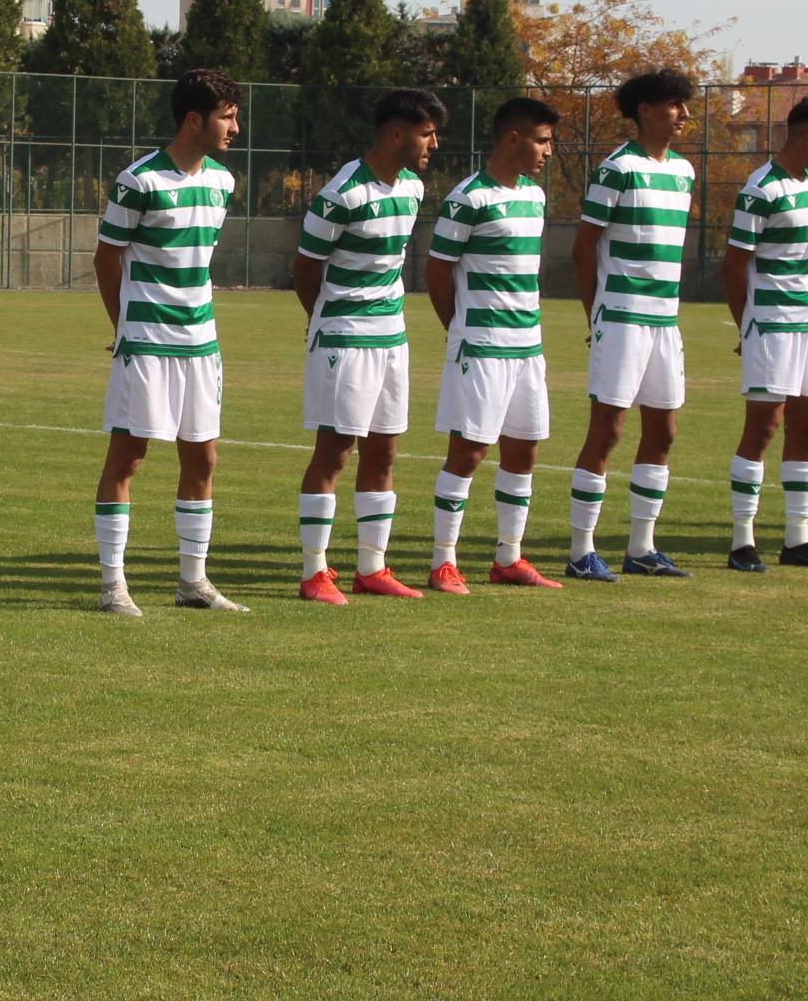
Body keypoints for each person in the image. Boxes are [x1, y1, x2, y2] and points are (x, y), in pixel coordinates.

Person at [94, 68, 248, 615]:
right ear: (193, 119)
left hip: (201, 343)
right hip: (148, 341)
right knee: (129, 457)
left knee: (202, 459)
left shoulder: (222, 182)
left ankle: (193, 583)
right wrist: (126, 327)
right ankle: (114, 586)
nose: (235, 126)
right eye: (227, 116)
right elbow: (106, 258)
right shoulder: (139, 181)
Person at [292, 88, 447, 603]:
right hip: (345, 339)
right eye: (427, 133)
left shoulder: (413, 188)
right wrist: (327, 325)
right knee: (335, 452)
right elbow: (305, 267)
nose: (434, 143)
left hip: (392, 339)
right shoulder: (342, 193)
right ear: (396, 134)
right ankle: (315, 572)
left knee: (385, 450)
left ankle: (371, 568)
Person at [563, 69, 699, 581]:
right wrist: (596, 316)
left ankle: (642, 546)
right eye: (674, 105)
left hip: (667, 321)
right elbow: (583, 248)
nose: (684, 115)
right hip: (621, 318)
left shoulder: (683, 171)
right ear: (646, 109)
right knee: (609, 430)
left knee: (663, 432)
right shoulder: (617, 169)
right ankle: (581, 552)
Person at [425, 97, 562, 594]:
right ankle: (444, 561)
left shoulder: (535, 196)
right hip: (482, 346)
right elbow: (437, 272)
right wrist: (460, 328)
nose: (549, 151)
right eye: (543, 141)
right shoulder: (469, 198)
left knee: (524, 451)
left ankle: (509, 557)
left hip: (528, 346)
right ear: (513, 139)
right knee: (469, 452)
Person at [721, 95, 808, 572]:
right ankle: (742, 543)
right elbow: (734, 266)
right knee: (763, 428)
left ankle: (798, 540)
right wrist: (747, 326)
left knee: (807, 427)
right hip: (771, 326)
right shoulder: (761, 188)